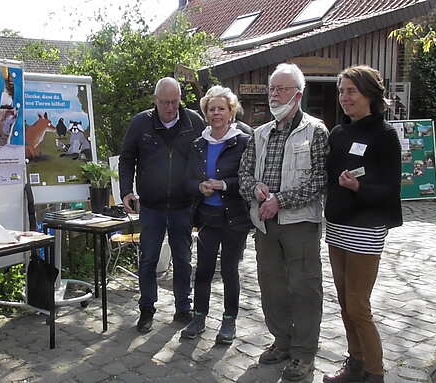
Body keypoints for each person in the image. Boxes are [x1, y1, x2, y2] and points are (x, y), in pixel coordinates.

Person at [237, 63, 329, 382]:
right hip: (265, 224)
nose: (274, 95)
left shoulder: (315, 130)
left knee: (304, 288)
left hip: (300, 223)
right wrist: (256, 189)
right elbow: (244, 173)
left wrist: (280, 200)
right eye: (272, 89)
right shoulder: (260, 133)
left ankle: (304, 354)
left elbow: (320, 178)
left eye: (281, 89)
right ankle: (282, 341)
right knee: (272, 286)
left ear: (298, 94)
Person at [322, 66, 402, 383]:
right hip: (338, 229)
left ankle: (375, 372)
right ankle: (355, 362)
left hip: (366, 230)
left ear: (370, 93)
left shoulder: (385, 135)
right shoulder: (338, 133)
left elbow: (393, 189)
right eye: (341, 91)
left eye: (351, 91)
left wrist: (359, 188)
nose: (344, 97)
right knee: (344, 303)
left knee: (358, 305)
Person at [119, 77, 206, 333]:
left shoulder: (193, 122)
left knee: (183, 259)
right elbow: (127, 159)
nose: (170, 108)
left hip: (183, 205)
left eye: (175, 102)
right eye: (165, 102)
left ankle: (183, 308)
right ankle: (146, 309)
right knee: (148, 260)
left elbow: (205, 158)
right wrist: (126, 191)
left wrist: (200, 196)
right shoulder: (141, 123)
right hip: (152, 206)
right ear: (155, 100)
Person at [180, 86, 253, 344]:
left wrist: (224, 184)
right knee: (203, 271)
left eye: (222, 108)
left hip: (234, 217)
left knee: (230, 270)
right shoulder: (199, 144)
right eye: (212, 109)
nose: (216, 113)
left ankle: (229, 322)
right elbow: (187, 180)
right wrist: (199, 186)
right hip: (207, 216)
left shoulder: (243, 141)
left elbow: (249, 179)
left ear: (231, 112)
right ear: (206, 113)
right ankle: (199, 317)